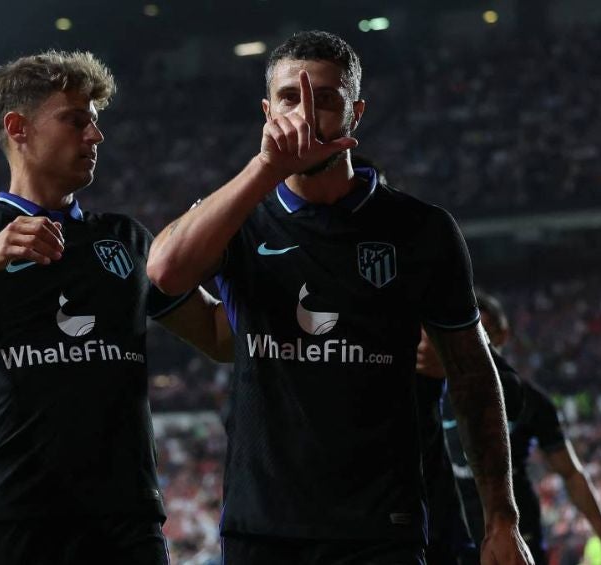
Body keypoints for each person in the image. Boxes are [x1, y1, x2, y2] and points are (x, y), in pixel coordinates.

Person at [147, 30, 531, 565]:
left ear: (357, 112)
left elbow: (472, 374)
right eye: (289, 98)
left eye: (325, 98)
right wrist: (266, 168)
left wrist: (502, 520)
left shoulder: (421, 229)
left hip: (381, 528)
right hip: (264, 528)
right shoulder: (240, 214)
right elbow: (165, 273)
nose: (305, 113)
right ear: (266, 111)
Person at [0, 50, 231, 564]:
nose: (95, 136)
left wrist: (233, 231)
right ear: (18, 128)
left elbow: (220, 337)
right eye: (76, 121)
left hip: (127, 518)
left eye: (95, 123)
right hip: (18, 516)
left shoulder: (127, 239)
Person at [418, 290, 601, 565]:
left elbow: (570, 473)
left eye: (482, 331)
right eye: (463, 331)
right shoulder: (427, 392)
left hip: (517, 537)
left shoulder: (530, 400)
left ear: (501, 336)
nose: (472, 341)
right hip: (451, 538)